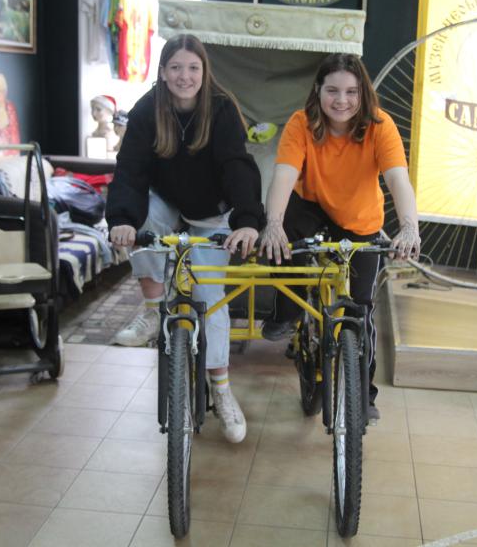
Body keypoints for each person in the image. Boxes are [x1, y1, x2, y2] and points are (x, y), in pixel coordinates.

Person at [106, 33, 265, 443]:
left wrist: (248, 221)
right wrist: (122, 220)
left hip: (214, 211)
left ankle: (221, 388)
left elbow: (238, 166)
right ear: (162, 72)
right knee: (140, 224)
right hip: (168, 204)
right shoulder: (147, 109)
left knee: (210, 299)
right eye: (175, 67)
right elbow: (130, 171)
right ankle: (152, 309)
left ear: (204, 71)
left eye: (193, 68)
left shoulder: (222, 109)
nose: (184, 76)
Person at [258, 53, 421, 422]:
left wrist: (410, 226)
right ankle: (288, 310)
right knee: (283, 239)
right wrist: (273, 223)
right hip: (309, 206)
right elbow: (284, 174)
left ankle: (364, 393)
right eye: (332, 90)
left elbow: (397, 178)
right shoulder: (301, 123)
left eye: (351, 92)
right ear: (318, 90)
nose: (341, 100)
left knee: (360, 311)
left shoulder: (380, 125)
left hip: (358, 218)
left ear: (363, 93)